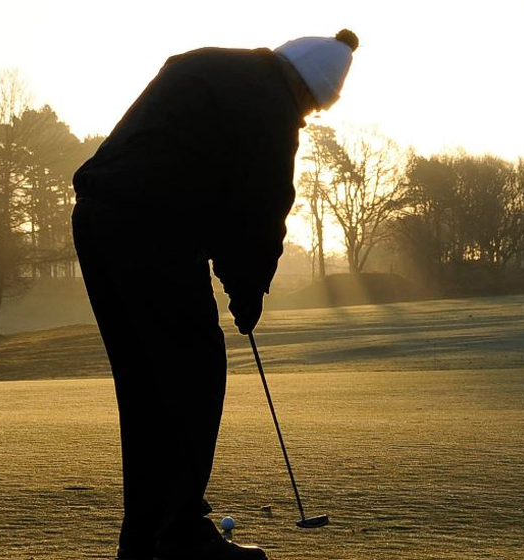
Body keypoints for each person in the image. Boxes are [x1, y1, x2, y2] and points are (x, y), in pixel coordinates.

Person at [70, 29, 357, 560]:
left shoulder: (206, 64)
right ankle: (179, 533)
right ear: (307, 89)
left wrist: (234, 275)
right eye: (312, 108)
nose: (306, 118)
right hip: (151, 230)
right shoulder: (272, 108)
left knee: (144, 386)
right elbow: (259, 214)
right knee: (196, 374)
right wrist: (248, 294)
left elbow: (217, 189)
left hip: (96, 222)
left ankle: (145, 537)